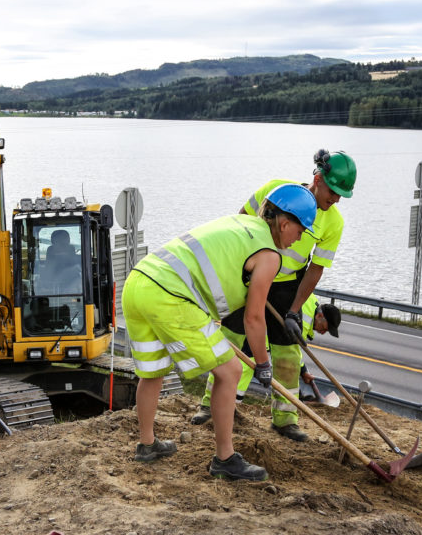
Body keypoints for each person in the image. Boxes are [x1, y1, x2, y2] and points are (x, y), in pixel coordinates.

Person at [123, 184, 317, 481]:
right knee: (229, 371)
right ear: (285, 223)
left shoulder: (241, 222)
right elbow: (254, 318)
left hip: (139, 282)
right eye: (301, 230)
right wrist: (264, 365)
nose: (300, 237)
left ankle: (147, 445)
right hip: (169, 294)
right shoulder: (269, 255)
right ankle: (225, 459)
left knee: (152, 373)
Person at [245, 149, 354, 441]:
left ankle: (285, 418)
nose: (336, 199)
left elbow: (315, 269)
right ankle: (216, 406)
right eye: (333, 191)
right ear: (317, 178)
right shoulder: (277, 189)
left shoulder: (334, 222)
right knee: (236, 339)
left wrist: (294, 311)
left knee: (288, 353)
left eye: (342, 194)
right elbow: (241, 220)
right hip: (251, 273)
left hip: (286, 284)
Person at [190, 296, 341, 421]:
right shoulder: (303, 319)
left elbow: (292, 351)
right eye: (326, 327)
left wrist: (303, 371)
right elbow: (291, 351)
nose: (324, 332)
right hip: (254, 325)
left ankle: (224, 408)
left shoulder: (309, 303)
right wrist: (302, 370)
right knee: (236, 366)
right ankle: (215, 408)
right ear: (320, 316)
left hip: (257, 324)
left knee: (241, 367)